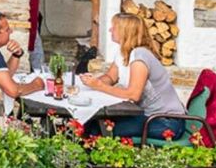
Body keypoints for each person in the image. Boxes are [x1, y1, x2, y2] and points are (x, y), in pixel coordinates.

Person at [77, 10, 190, 139]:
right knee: (91, 122)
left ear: (126, 32)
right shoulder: (123, 52)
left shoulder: (140, 56)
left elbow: (133, 95)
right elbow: (110, 77)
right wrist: (91, 82)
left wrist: (99, 86)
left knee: (96, 128)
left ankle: (99, 157)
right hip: (148, 116)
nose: (110, 30)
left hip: (166, 122)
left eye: (114, 27)